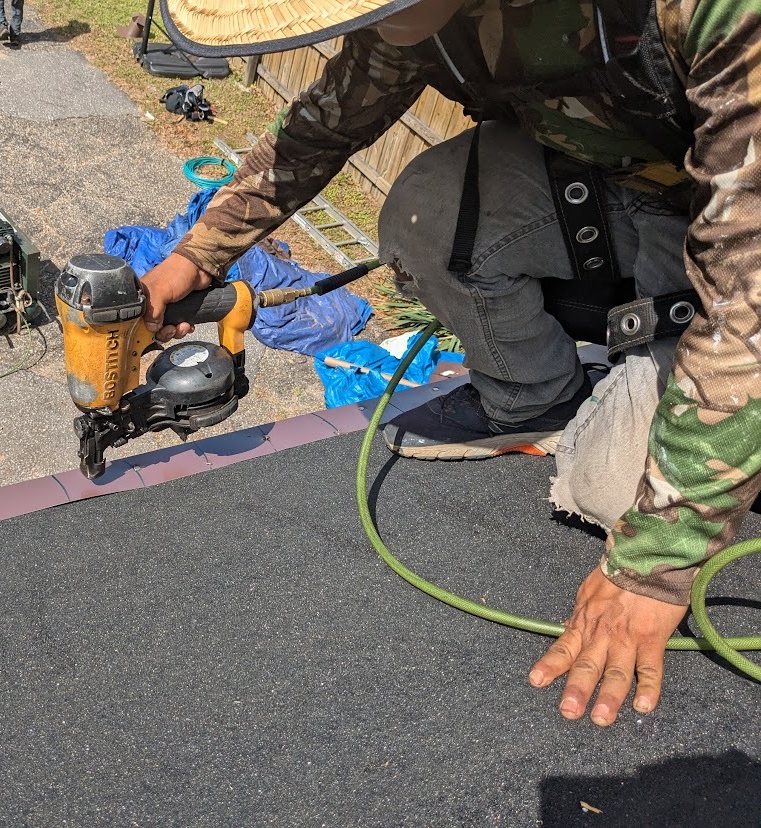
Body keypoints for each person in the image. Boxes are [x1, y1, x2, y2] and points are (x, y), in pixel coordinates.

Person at [139, 0, 761, 726]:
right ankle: (535, 399)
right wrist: (197, 257)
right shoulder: (407, 21)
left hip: (727, 239)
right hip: (619, 188)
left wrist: (656, 563)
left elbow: (747, 301)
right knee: (422, 214)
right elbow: (317, 132)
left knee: (616, 496)